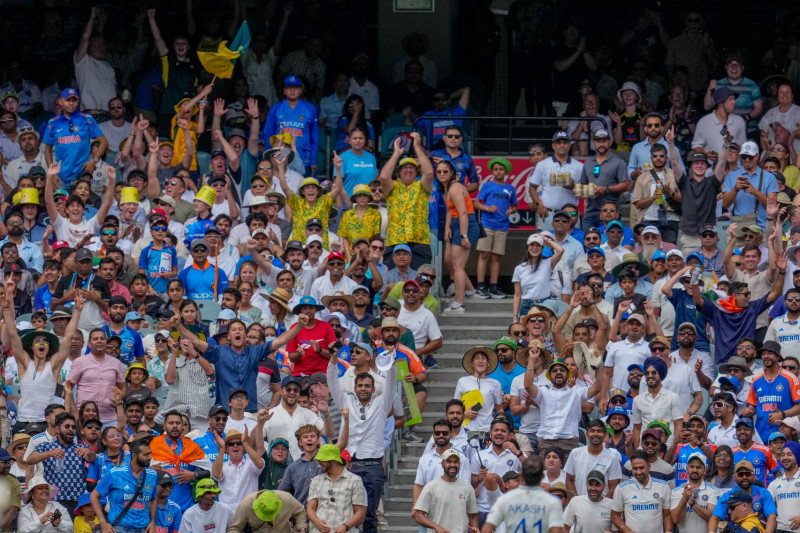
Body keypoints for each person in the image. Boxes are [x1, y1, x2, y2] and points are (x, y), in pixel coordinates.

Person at [327, 342, 396, 533]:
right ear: (355, 387)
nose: (363, 389)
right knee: (346, 514)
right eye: (360, 385)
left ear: (374, 389)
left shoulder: (381, 405)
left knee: (370, 515)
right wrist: (333, 359)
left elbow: (391, 385)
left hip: (373, 466)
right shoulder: (346, 400)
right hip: (349, 465)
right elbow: (332, 381)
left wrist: (392, 362)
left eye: (367, 386)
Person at [378, 132, 434, 269]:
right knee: (392, 282)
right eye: (404, 168)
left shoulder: (422, 186)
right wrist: (396, 153)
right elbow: (384, 177)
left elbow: (429, 173)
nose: (408, 170)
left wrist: (417, 147)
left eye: (412, 168)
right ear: (399, 172)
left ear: (416, 172)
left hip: (419, 242)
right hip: (395, 241)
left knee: (420, 281)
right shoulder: (393, 187)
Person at [90, 436, 157, 533]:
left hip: (143, 529)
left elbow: (153, 498)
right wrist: (103, 522)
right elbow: (94, 496)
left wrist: (152, 521)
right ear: (134, 456)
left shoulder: (152, 475)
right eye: (146, 454)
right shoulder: (115, 473)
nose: (150, 457)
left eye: (150, 453)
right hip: (119, 528)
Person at [482, 455, 564, 533]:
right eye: (517, 480)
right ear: (506, 484)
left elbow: (546, 486)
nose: (520, 483)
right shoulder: (500, 499)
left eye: (521, 480)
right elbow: (489, 477)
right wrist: (500, 482)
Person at [743, 341, 800, 442]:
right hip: (761, 435)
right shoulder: (756, 380)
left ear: (778, 357)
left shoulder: (790, 378)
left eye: (770, 353)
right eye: (764, 353)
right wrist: (749, 410)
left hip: (784, 436)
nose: (766, 356)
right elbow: (753, 405)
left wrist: (782, 415)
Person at [262, 76, 319, 175]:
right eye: (289, 88)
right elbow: (268, 134)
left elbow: (314, 137)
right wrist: (270, 157)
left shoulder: (310, 108)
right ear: (284, 91)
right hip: (280, 155)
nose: (292, 90)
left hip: (303, 155)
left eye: (295, 87)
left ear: (301, 90)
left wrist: (313, 160)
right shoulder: (276, 108)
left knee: (302, 187)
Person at [414, 449, 479, 533]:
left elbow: (473, 515)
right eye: (448, 461)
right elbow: (418, 515)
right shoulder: (431, 487)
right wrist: (436, 526)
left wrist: (475, 528)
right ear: (442, 464)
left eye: (456, 462)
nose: (452, 465)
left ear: (459, 464)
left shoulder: (467, 488)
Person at [306, 444, 366, 533]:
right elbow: (310, 508)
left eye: (322, 459)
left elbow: (360, 512)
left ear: (333, 460)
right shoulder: (316, 480)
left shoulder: (355, 480)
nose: (319, 461)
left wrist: (346, 526)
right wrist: (317, 522)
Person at [611, 450, 673, 533]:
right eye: (635, 468)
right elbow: (615, 515)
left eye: (641, 468)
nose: (638, 472)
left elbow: (667, 514)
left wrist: (668, 531)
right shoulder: (622, 488)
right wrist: (626, 530)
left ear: (649, 467)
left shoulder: (663, 486)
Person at [565, 419, 622, 497]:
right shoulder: (575, 453)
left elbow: (613, 487)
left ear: (605, 435)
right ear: (587, 434)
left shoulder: (612, 458)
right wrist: (575, 500)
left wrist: (603, 505)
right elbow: (569, 480)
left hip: (602, 505)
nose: (595, 434)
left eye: (599, 431)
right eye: (592, 431)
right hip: (579, 503)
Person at [228, 489, 307, 533]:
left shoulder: (287, 499)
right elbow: (235, 528)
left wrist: (301, 529)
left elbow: (300, 511)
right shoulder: (246, 505)